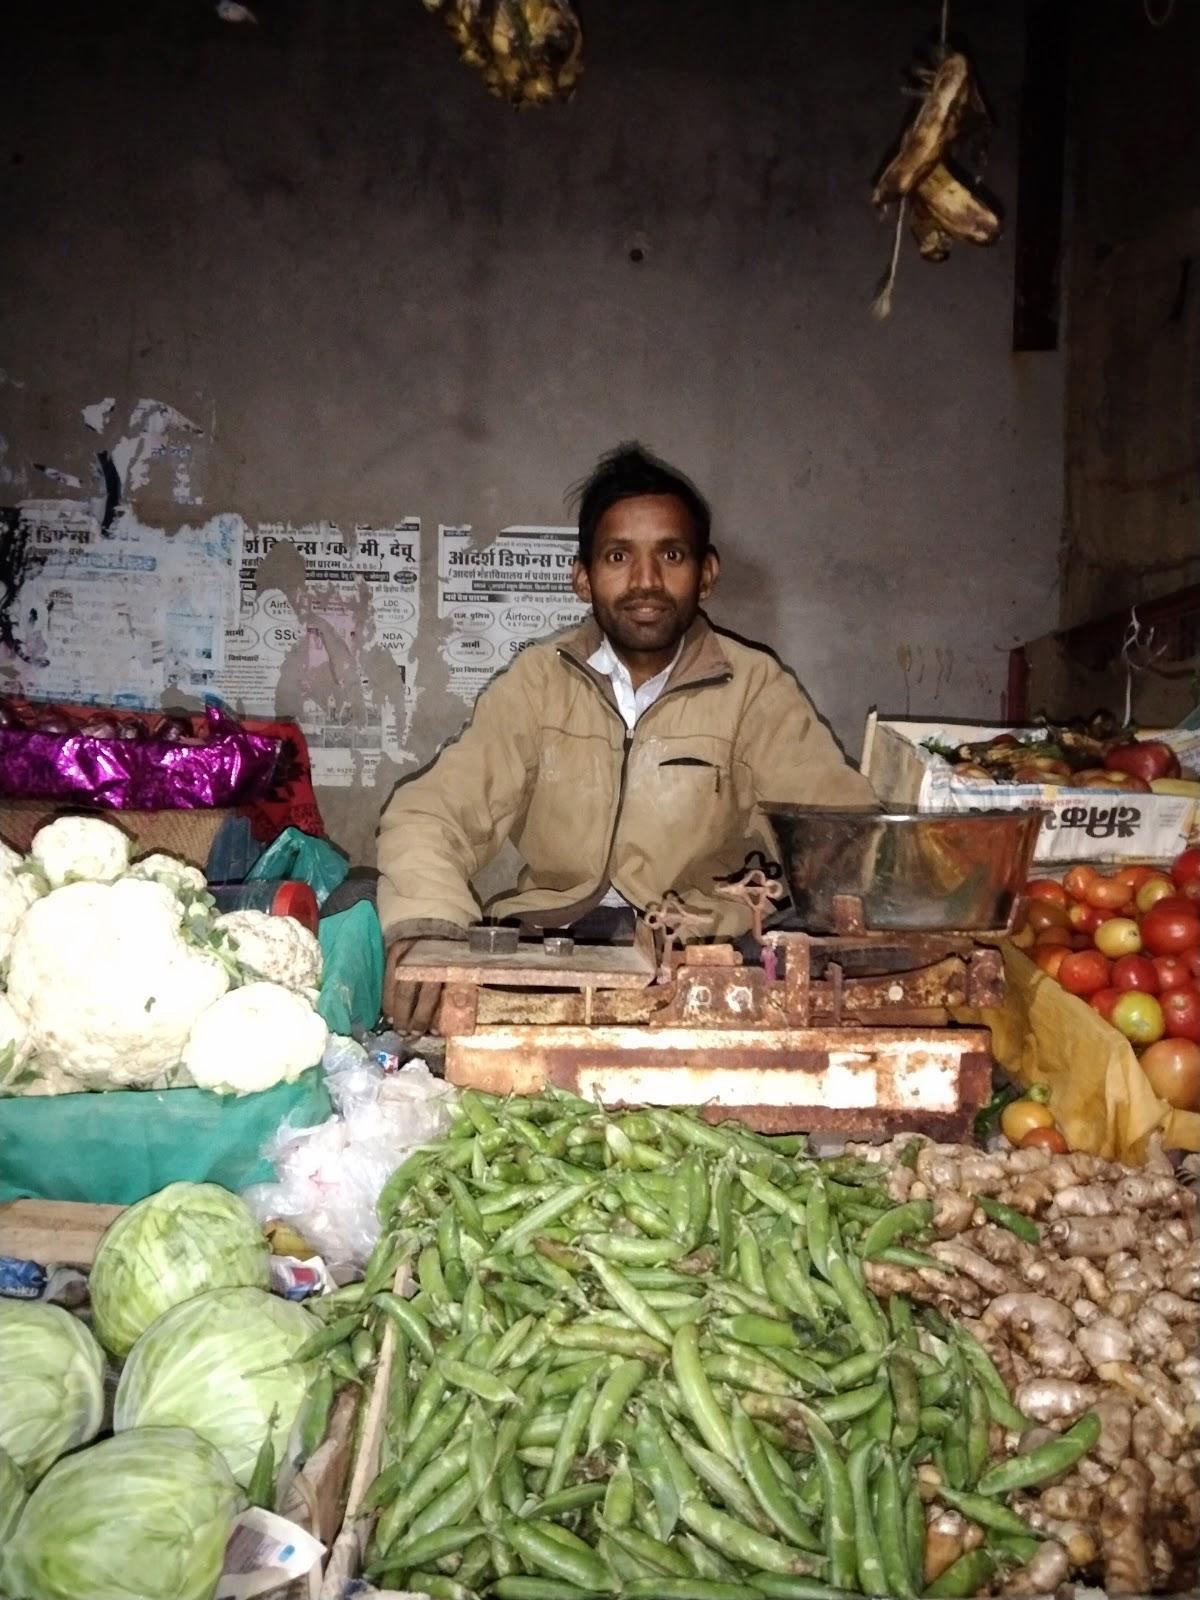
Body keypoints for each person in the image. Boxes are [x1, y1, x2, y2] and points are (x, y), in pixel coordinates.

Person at [378, 443, 876, 1030]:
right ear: (584, 580)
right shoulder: (540, 681)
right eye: (618, 556)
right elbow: (431, 814)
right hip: (550, 946)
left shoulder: (753, 688)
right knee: (368, 916)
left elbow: (838, 829)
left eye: (670, 553)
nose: (646, 581)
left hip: (701, 954)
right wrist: (430, 929)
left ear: (706, 574)